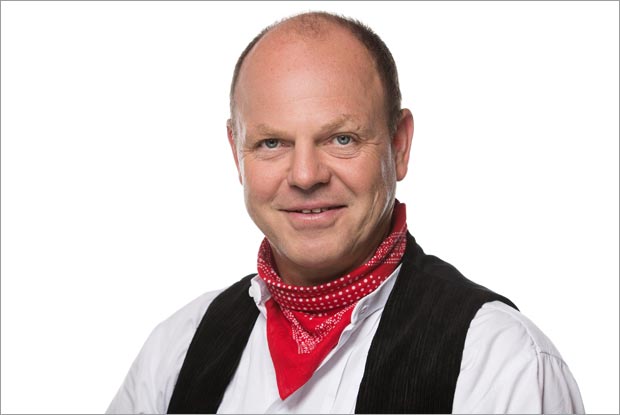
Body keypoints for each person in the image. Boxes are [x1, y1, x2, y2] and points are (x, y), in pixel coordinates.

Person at [107, 11, 584, 414]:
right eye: (272, 143)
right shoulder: (177, 351)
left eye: (341, 139)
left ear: (399, 145)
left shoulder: (500, 362)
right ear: (236, 152)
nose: (305, 175)